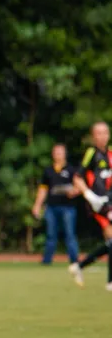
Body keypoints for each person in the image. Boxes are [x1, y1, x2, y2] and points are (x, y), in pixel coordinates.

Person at [69, 121, 112, 290]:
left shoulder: (110, 155)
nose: (102, 136)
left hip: (108, 203)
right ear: (93, 137)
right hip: (98, 205)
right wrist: (89, 195)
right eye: (98, 133)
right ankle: (110, 282)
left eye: (105, 132)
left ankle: (79, 266)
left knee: (110, 243)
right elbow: (77, 178)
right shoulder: (91, 154)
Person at [31, 144, 79, 265]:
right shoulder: (48, 170)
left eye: (60, 152)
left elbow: (79, 186)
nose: (57, 155)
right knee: (50, 234)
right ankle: (47, 260)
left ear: (65, 154)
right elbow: (43, 189)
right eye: (55, 152)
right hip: (51, 207)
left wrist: (73, 192)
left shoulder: (72, 169)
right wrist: (37, 205)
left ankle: (74, 261)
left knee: (70, 234)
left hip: (68, 207)